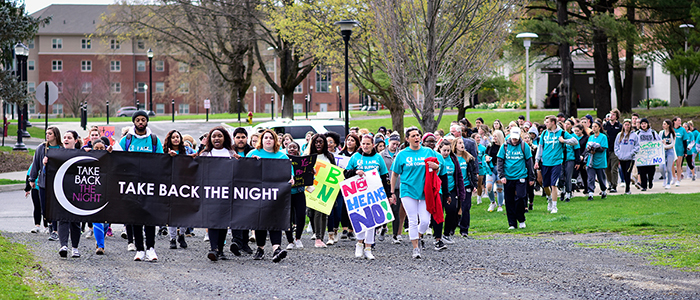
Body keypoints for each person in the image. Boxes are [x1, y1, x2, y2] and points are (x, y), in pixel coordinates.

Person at [115, 110, 164, 262]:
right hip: (132, 185)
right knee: (135, 218)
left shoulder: (154, 140)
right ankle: (139, 249)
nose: (141, 122)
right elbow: (117, 158)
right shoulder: (126, 140)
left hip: (150, 184)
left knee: (149, 217)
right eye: (138, 120)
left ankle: (151, 248)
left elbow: (162, 161)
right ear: (134, 122)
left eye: (143, 120)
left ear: (147, 122)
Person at [390, 126, 445, 259]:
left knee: (426, 221)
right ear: (407, 139)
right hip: (407, 190)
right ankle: (416, 248)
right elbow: (394, 174)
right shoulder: (402, 154)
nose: (416, 138)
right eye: (413, 136)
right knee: (413, 220)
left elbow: (438, 167)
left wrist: (436, 167)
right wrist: (392, 192)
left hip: (425, 191)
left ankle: (418, 236)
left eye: (418, 135)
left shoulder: (428, 152)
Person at [246, 129, 294, 262]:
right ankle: (260, 249)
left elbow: (290, 172)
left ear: (275, 141)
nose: (268, 140)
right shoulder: (253, 153)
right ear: (261, 140)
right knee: (260, 220)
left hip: (275, 195)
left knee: (275, 220)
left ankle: (276, 249)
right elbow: (243, 170)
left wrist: (291, 178)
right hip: (257, 194)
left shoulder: (282, 156)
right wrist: (251, 162)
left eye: (271, 138)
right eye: (266, 137)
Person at [343, 134, 392, 259]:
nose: (365, 146)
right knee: (360, 219)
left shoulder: (378, 158)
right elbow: (345, 173)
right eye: (363, 144)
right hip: (358, 194)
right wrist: (355, 172)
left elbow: (385, 177)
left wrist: (389, 195)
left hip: (374, 193)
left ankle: (368, 248)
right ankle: (359, 244)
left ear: (373, 145)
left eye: (368, 144)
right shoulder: (355, 157)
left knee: (372, 221)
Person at [198, 126, 239, 261]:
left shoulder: (231, 153)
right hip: (210, 194)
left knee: (223, 223)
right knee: (213, 221)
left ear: (224, 138)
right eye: (214, 136)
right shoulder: (205, 154)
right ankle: (213, 249)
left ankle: (220, 250)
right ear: (210, 138)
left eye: (219, 136)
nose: (217, 138)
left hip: (227, 193)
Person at [534, 115, 578, 214]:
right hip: (545, 162)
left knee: (554, 185)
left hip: (557, 162)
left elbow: (575, 141)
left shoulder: (562, 133)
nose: (545, 124)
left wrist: (564, 141)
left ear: (553, 123)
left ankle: (554, 206)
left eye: (547, 122)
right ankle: (549, 199)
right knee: (545, 185)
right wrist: (537, 161)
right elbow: (540, 148)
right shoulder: (544, 133)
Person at [29, 126, 64, 242]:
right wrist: (32, 179)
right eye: (46, 133)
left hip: (57, 183)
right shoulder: (42, 148)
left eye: (50, 133)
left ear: (55, 135)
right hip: (44, 183)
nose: (47, 135)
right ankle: (49, 223)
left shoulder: (61, 148)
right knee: (45, 208)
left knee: (54, 207)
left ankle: (55, 230)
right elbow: (35, 164)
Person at [497, 127, 535, 230]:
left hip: (521, 176)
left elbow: (529, 162)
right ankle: (512, 223)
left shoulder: (524, 146)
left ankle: (521, 219)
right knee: (509, 201)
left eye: (516, 138)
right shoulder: (504, 146)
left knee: (521, 198)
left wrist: (531, 177)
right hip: (508, 177)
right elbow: (500, 161)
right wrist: (502, 175)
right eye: (513, 138)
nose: (514, 140)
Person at [162, 130, 194, 250]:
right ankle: (172, 238)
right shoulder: (165, 151)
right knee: (172, 213)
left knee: (184, 212)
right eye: (173, 137)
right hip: (170, 185)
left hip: (185, 184)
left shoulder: (187, 150)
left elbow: (196, 159)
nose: (176, 139)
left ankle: (182, 234)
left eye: (178, 137)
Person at [57, 130, 85, 258]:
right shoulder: (57, 154)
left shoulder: (81, 153)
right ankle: (63, 245)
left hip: (77, 191)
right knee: (63, 219)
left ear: (75, 140)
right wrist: (46, 163)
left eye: (69, 137)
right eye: (64, 137)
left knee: (75, 221)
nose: (66, 140)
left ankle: (75, 248)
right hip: (61, 190)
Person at [229, 127, 255, 256]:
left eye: (243, 137)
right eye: (238, 137)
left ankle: (244, 243)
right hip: (233, 188)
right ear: (234, 138)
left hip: (249, 189)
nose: (240, 140)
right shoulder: (229, 151)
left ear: (247, 138)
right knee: (235, 215)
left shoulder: (253, 152)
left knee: (247, 215)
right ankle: (237, 241)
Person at [306, 133, 336, 247]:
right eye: (316, 142)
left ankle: (319, 238)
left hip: (325, 188)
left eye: (321, 142)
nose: (318, 144)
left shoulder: (330, 157)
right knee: (312, 213)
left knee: (322, 213)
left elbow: (334, 171)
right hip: (311, 188)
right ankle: (317, 236)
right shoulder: (309, 156)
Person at [434, 139, 464, 247]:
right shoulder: (437, 158)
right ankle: (437, 235)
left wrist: (460, 189)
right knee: (439, 213)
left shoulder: (453, 159)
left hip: (451, 189)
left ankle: (446, 233)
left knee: (452, 211)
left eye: (448, 150)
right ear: (439, 149)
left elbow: (458, 174)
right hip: (439, 190)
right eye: (444, 150)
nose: (446, 152)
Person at [380, 133, 406, 244]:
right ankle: (383, 228)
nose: (395, 146)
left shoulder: (400, 155)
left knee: (396, 211)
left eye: (397, 144)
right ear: (388, 142)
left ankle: (395, 235)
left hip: (396, 186)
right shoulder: (381, 155)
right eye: (393, 143)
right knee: (384, 209)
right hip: (384, 186)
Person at [557, 119, 581, 202]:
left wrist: (577, 162)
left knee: (568, 177)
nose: (566, 125)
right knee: (560, 176)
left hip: (570, 158)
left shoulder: (573, 136)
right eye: (565, 124)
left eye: (568, 124)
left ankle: (568, 193)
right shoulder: (560, 136)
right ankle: (562, 190)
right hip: (561, 159)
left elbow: (577, 149)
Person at [614, 119, 640, 195]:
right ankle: (626, 185)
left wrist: (632, 153)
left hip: (630, 158)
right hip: (622, 157)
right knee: (623, 172)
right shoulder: (619, 135)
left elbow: (637, 146)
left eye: (628, 125)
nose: (627, 126)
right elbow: (616, 146)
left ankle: (627, 188)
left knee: (627, 172)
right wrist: (618, 154)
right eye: (625, 125)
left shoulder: (634, 135)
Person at [585, 120, 608, 201]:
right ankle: (590, 194)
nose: (593, 128)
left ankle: (604, 191)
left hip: (600, 161)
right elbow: (587, 147)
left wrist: (595, 149)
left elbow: (603, 148)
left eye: (595, 127)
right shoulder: (590, 137)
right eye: (592, 127)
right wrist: (589, 150)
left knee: (601, 179)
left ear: (599, 128)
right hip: (591, 161)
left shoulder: (603, 137)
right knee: (591, 178)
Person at [636, 118, 659, 191]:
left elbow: (658, 141)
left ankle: (650, 180)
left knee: (651, 171)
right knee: (642, 171)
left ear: (647, 124)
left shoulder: (653, 133)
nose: (643, 125)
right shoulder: (637, 133)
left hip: (651, 155)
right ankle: (644, 186)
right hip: (641, 156)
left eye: (645, 123)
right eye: (642, 124)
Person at [603, 109, 622, 192]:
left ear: (617, 116)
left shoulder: (619, 126)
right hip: (607, 149)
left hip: (615, 149)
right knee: (607, 168)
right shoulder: (605, 125)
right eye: (610, 114)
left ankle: (614, 185)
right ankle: (610, 183)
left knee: (614, 168)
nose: (611, 116)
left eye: (613, 115)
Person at [485, 130, 504, 212]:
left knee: (500, 188)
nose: (494, 138)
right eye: (493, 136)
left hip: (500, 169)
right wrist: (486, 158)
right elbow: (486, 154)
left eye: (496, 136)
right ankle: (493, 202)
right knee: (489, 186)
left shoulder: (503, 146)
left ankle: (500, 205)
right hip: (491, 169)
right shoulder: (490, 146)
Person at [672, 117, 689, 187]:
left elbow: (685, 141)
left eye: (680, 120)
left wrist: (685, 151)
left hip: (680, 149)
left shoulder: (682, 130)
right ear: (674, 121)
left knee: (679, 165)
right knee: (671, 164)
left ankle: (678, 179)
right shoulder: (671, 129)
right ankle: (673, 177)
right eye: (679, 120)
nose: (680, 122)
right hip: (672, 149)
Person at [660, 120, 676, 189]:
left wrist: (665, 146)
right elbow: (659, 141)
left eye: (664, 124)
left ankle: (668, 182)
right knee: (661, 167)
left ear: (668, 125)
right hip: (662, 151)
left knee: (669, 168)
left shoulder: (672, 133)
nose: (663, 125)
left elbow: (672, 144)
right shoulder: (661, 133)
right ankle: (664, 178)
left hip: (670, 151)